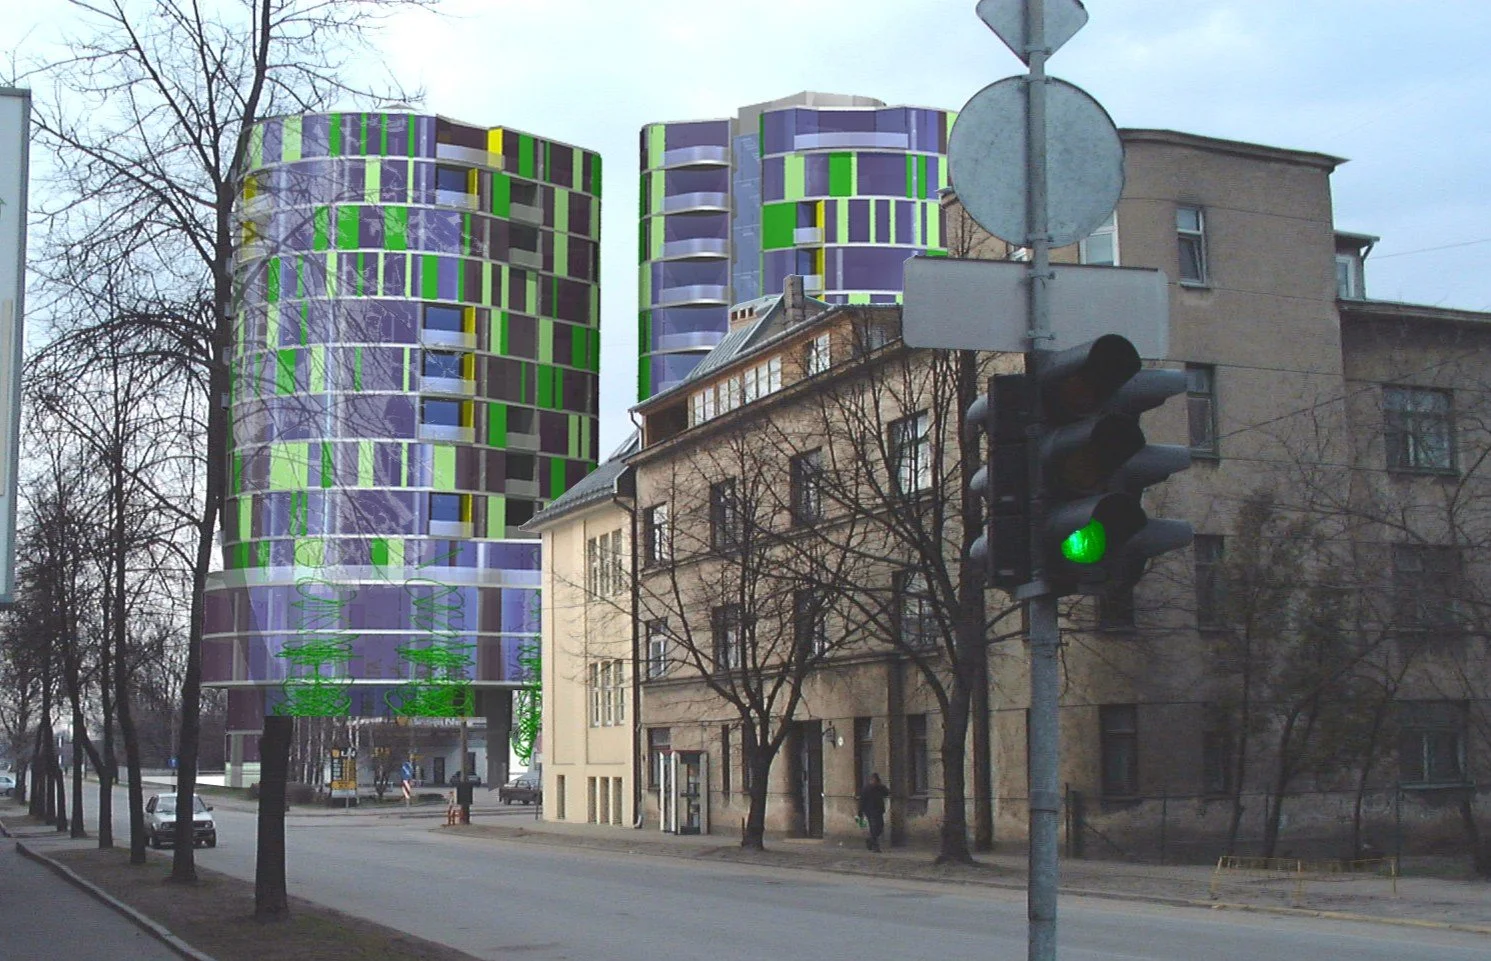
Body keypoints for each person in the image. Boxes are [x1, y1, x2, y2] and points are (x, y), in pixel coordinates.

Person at [857, 772, 891, 852]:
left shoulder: (880, 788)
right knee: (874, 827)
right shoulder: (866, 789)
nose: (874, 782)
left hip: (879, 810)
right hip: (869, 811)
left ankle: (870, 840)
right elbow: (862, 801)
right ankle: (875, 846)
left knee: (880, 827)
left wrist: (881, 787)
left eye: (875, 780)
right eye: (873, 780)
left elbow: (887, 793)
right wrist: (860, 812)